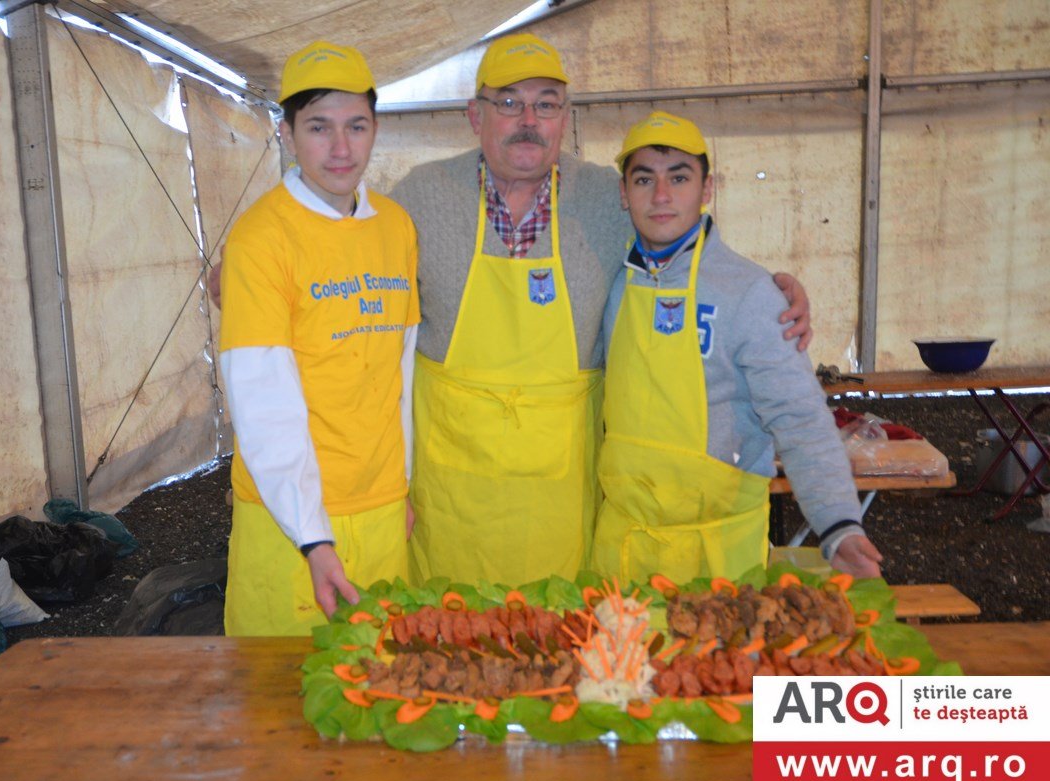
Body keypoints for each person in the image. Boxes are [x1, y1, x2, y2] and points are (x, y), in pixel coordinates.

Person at [388, 34, 812, 587]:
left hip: (562, 498)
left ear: (565, 116)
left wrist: (774, 287)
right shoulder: (419, 196)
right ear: (475, 114)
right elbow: (361, 277)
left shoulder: (606, 199)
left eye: (546, 104)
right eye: (509, 102)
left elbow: (692, 254)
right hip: (448, 497)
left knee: (562, 644)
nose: (528, 120)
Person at [590, 110, 883, 585]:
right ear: (623, 194)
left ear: (707, 188)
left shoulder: (751, 294)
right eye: (644, 179)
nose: (661, 196)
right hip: (622, 555)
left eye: (679, 178)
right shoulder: (612, 283)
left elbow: (799, 417)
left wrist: (838, 525)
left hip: (719, 562)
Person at [218, 41, 420, 636]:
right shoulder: (261, 239)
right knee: (279, 702)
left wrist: (400, 486)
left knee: (384, 692)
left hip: (381, 507)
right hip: (291, 524)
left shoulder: (395, 227)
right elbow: (263, 400)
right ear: (286, 132)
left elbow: (400, 373)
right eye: (319, 127)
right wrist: (313, 537)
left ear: (375, 128)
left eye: (356, 126)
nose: (340, 148)